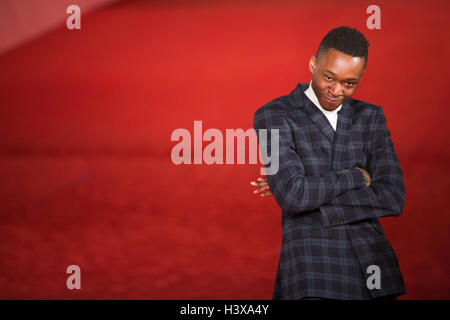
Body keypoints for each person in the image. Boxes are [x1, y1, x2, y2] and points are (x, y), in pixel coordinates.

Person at [252, 26, 405, 300]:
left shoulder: (370, 116)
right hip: (313, 267)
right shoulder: (274, 114)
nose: (336, 90)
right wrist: (357, 177)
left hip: (372, 266)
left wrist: (312, 197)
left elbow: (393, 197)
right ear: (313, 63)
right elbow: (293, 196)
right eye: (328, 77)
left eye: (349, 83)